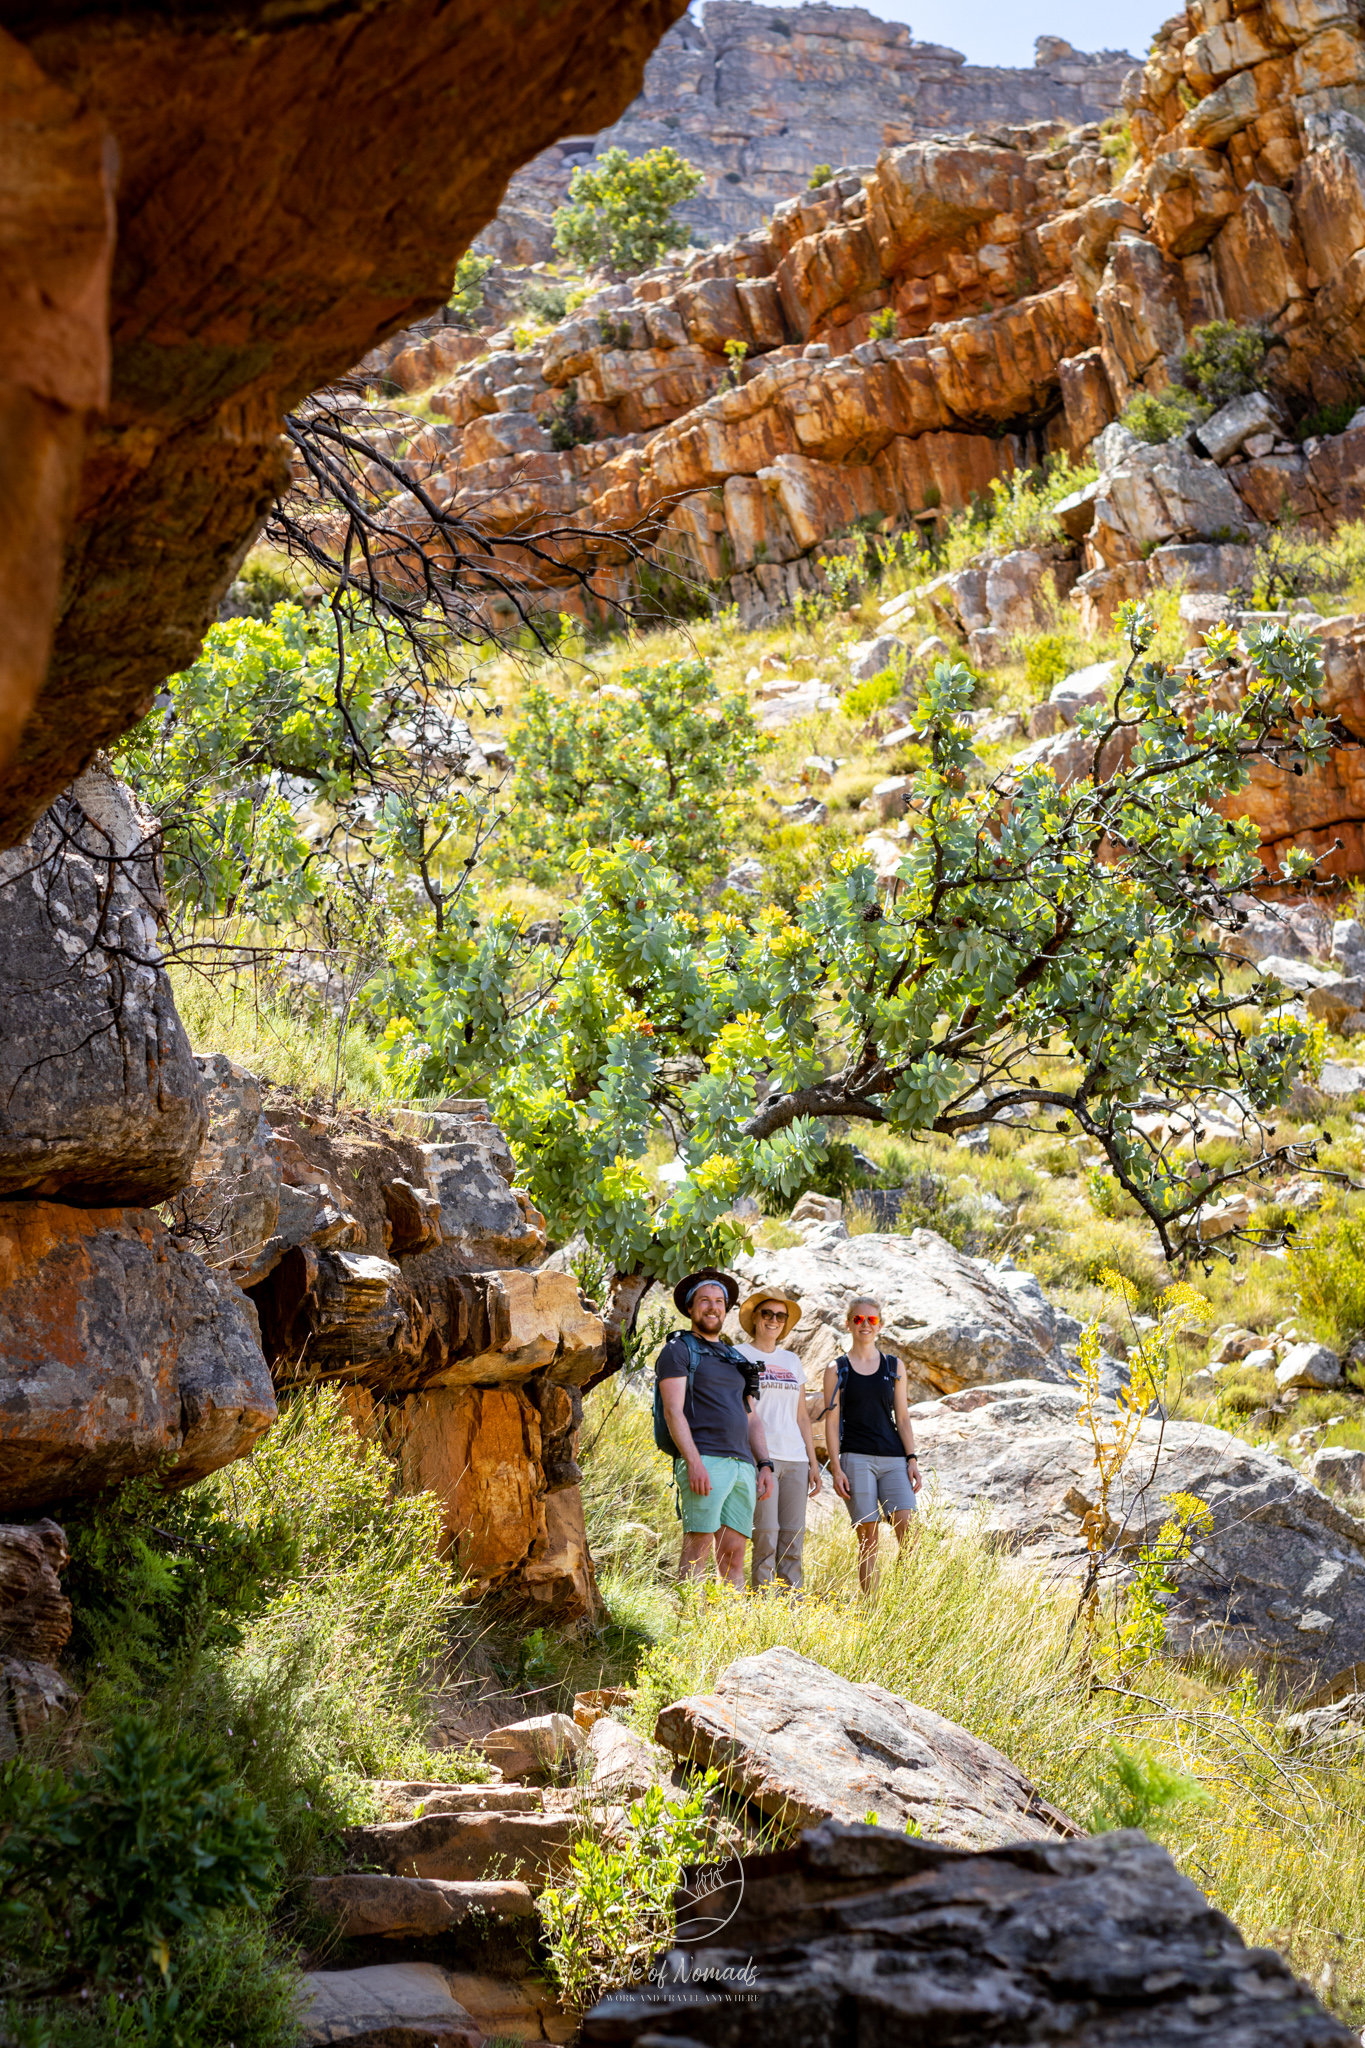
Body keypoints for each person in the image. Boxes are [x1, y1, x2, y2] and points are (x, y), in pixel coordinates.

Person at [655, 1267, 774, 1588]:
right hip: (704, 1460)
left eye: (719, 1301)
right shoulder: (678, 1350)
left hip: (742, 1466)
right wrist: (692, 1462)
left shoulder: (738, 1358)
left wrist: (764, 1464)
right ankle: (687, 1625)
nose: (712, 1306)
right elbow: (672, 1410)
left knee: (734, 1553)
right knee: (698, 1547)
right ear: (691, 1309)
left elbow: (751, 1416)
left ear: (726, 1309)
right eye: (704, 1300)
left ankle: (728, 1627)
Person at [823, 1294, 922, 1592]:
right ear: (848, 1324)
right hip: (855, 1459)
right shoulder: (836, 1368)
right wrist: (836, 1469)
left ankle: (905, 1603)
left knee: (910, 1532)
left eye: (872, 1319)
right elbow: (830, 1421)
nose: (865, 1324)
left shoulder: (894, 1366)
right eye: (858, 1319)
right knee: (868, 1538)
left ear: (880, 1325)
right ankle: (872, 1610)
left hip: (893, 1459)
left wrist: (912, 1459)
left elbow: (902, 1418)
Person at [735, 1287, 821, 1591]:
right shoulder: (740, 1355)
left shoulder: (791, 1360)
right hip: (762, 1457)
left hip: (796, 1458)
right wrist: (757, 1460)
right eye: (767, 1313)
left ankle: (791, 1608)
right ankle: (762, 1604)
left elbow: (801, 1417)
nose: (774, 1320)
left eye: (780, 1316)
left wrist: (813, 1462)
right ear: (755, 1317)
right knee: (766, 1533)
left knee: (793, 1536)